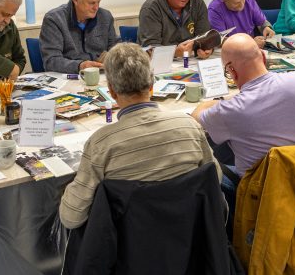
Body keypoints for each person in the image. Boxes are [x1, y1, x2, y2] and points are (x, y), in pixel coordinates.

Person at [59, 43, 220, 229]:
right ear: (152, 84)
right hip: (189, 234)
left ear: (111, 91)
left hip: (128, 242)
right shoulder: (190, 127)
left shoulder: (101, 143)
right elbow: (214, 178)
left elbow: (71, 218)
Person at [192, 34, 295, 186]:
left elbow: (194, 119)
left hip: (263, 193)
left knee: (205, 170)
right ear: (263, 56)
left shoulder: (231, 109)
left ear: (232, 70)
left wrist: (220, 102)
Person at [39, 0, 119, 74]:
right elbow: (51, 61)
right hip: (69, 77)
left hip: (101, 76)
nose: (96, 7)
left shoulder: (105, 16)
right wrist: (80, 66)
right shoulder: (54, 19)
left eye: (98, 2)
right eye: (92, 3)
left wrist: (111, 56)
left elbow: (117, 48)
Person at [138, 0, 214, 59]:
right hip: (161, 65)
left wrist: (207, 49)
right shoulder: (151, 8)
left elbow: (205, 37)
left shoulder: (197, 4)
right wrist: (175, 52)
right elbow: (149, 50)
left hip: (192, 62)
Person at [207, 0, 275, 48]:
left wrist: (266, 28)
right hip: (230, 49)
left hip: (251, 47)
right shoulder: (215, 9)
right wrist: (249, 43)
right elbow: (219, 40)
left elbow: (262, 22)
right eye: (236, 3)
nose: (242, 5)